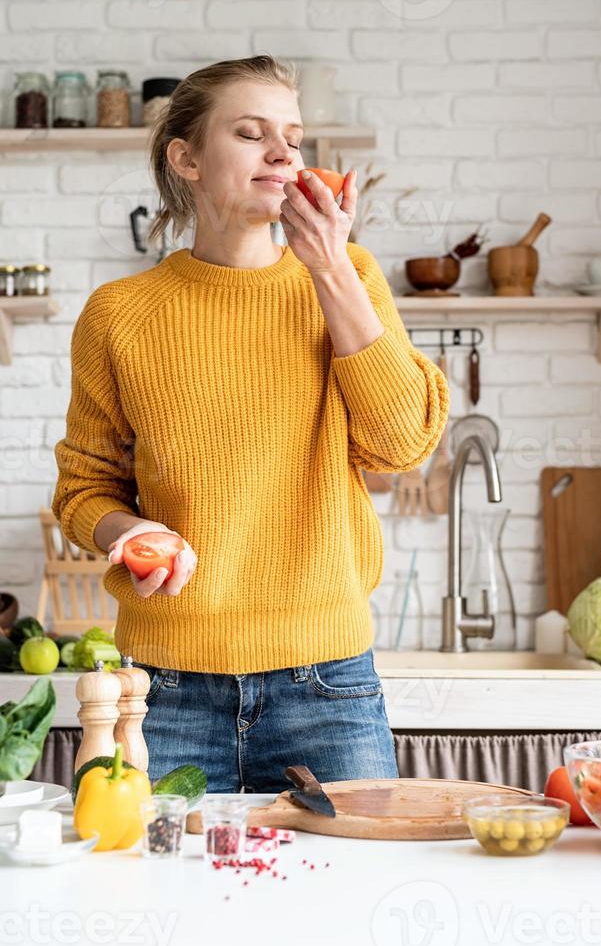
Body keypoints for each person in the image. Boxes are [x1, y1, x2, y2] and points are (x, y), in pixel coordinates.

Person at [51, 55, 449, 793]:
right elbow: (84, 489)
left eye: (292, 138)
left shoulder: (348, 276)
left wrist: (327, 266)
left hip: (326, 687)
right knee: (144, 902)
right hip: (162, 692)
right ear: (187, 158)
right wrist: (126, 533)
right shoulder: (119, 313)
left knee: (343, 904)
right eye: (250, 132)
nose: (282, 153)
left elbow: (401, 443)